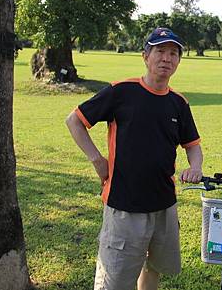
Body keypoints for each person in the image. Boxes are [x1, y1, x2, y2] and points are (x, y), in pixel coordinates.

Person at [65, 27, 203, 290]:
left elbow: (193, 145)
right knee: (114, 279)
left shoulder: (178, 103)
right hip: (124, 205)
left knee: (153, 269)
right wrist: (97, 160)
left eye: (173, 53)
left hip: (164, 204)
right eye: (160, 51)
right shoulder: (121, 92)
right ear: (145, 56)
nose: (167, 58)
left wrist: (195, 166)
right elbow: (74, 121)